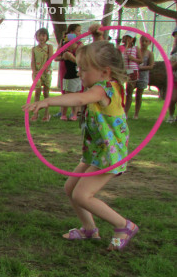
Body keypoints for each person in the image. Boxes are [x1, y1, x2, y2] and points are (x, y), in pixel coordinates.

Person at [22, 41, 139, 251]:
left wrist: (48, 101)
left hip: (109, 154)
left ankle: (123, 225)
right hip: (97, 151)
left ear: (105, 72)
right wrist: (95, 36)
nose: (79, 72)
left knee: (82, 195)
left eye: (83, 69)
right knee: (70, 188)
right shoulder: (101, 85)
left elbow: (80, 99)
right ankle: (89, 229)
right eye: (79, 67)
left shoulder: (104, 89)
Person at [54, 24, 83, 121]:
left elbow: (81, 60)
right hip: (67, 71)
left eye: (80, 31)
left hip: (77, 73)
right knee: (67, 93)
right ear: (71, 32)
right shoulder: (65, 42)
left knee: (76, 93)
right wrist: (65, 57)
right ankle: (63, 113)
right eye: (78, 31)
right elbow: (56, 57)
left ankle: (74, 113)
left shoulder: (80, 44)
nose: (80, 33)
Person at [30, 28, 54, 121]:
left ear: (46, 37)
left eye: (43, 35)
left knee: (46, 93)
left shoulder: (49, 47)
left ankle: (47, 114)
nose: (41, 37)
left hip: (46, 72)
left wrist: (44, 69)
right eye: (39, 35)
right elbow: (33, 61)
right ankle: (36, 113)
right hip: (37, 73)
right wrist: (34, 70)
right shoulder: (34, 49)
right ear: (36, 37)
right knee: (37, 92)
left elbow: (50, 59)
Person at [120, 33, 142, 118]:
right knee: (120, 89)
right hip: (123, 71)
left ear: (133, 39)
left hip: (133, 71)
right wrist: (125, 47)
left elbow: (140, 60)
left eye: (129, 37)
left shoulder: (136, 48)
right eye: (126, 37)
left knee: (129, 91)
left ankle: (126, 112)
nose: (127, 39)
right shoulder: (121, 47)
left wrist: (133, 59)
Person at [133, 36, 154, 120]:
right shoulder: (136, 51)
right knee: (128, 93)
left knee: (139, 95)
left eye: (146, 41)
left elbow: (151, 66)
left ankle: (136, 114)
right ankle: (125, 111)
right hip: (133, 75)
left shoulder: (150, 53)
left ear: (149, 42)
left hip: (143, 76)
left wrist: (140, 68)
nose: (144, 43)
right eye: (142, 41)